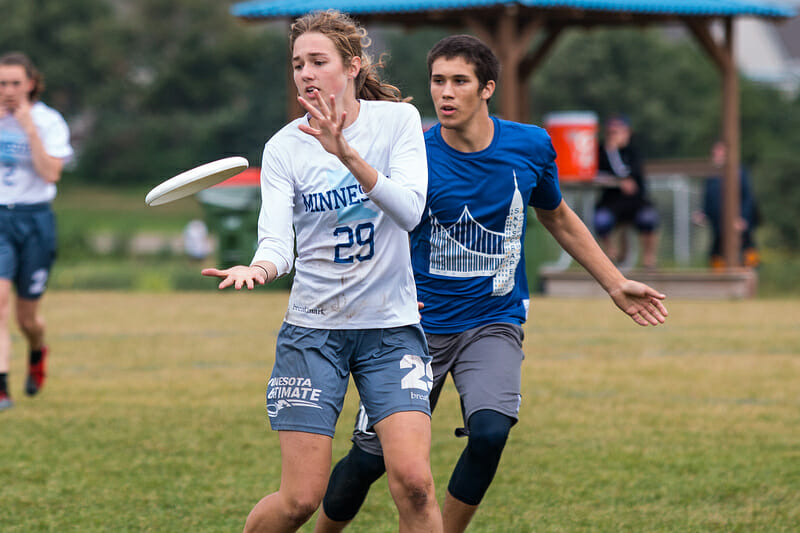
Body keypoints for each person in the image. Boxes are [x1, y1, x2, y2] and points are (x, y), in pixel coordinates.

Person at [314, 35, 668, 533]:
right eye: (438, 81)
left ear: (487, 89)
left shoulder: (531, 146)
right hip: (411, 329)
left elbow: (559, 217)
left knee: (490, 432)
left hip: (494, 320)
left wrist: (615, 283)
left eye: (460, 81)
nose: (446, 93)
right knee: (369, 460)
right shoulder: (412, 151)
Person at [200, 10, 443, 533]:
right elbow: (276, 242)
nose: (305, 73)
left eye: (318, 61)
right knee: (299, 501)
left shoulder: (398, 121)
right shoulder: (284, 147)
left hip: (390, 330)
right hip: (315, 333)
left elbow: (410, 212)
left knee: (416, 483)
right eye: (297, 64)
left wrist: (348, 155)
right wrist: (260, 268)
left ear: (352, 66)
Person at [0, 52, 73, 412]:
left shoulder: (48, 121)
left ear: (30, 84)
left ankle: (36, 351)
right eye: (2, 84)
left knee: (27, 319)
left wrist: (28, 128)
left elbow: (51, 174)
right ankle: (2, 389)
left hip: (36, 220)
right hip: (0, 217)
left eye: (15, 83)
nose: (9, 90)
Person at [593, 114, 659, 269]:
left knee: (648, 219)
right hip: (611, 202)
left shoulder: (633, 151)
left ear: (627, 132)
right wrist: (611, 152)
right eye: (610, 133)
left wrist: (614, 154)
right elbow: (598, 174)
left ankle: (649, 260)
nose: (613, 136)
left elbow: (630, 177)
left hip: (635, 202)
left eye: (617, 132)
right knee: (601, 220)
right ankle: (610, 256)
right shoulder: (602, 151)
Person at [694, 140, 760, 270]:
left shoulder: (739, 173)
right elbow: (707, 200)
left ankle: (750, 278)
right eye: (715, 153)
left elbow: (748, 198)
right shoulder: (711, 175)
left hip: (738, 225)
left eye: (720, 152)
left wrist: (743, 219)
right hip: (719, 225)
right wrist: (702, 213)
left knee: (747, 252)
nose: (716, 155)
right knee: (717, 254)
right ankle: (719, 281)